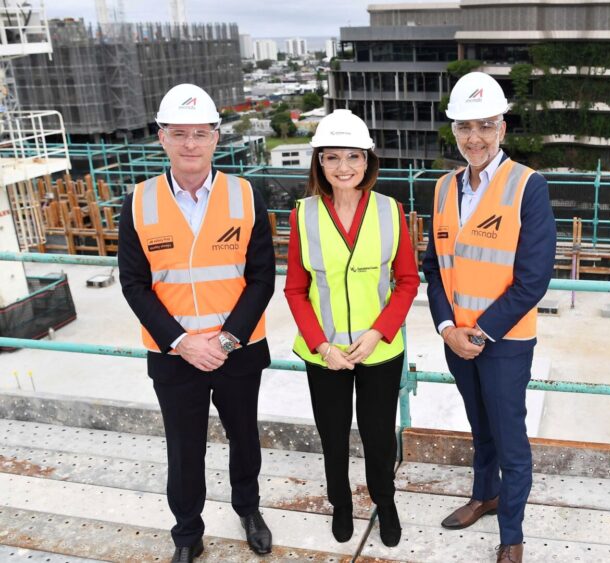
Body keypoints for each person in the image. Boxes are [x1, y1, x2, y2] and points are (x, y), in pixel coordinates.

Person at [119, 83, 275, 562]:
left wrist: (225, 341)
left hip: (238, 349)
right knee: (184, 450)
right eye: (179, 133)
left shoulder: (245, 195)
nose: (191, 144)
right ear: (161, 137)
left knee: (244, 437)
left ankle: (248, 509)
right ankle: (187, 534)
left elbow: (262, 277)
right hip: (175, 356)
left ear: (216, 138)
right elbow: (134, 285)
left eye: (201, 134)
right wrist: (183, 342)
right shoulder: (138, 202)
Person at [422, 72, 557, 563]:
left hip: (504, 341)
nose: (473, 137)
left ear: (502, 127)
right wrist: (447, 329)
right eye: (464, 127)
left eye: (484, 125)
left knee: (510, 438)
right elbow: (434, 267)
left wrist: (478, 332)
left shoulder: (527, 187)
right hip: (457, 338)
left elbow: (532, 279)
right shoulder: (442, 188)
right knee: (479, 426)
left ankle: (512, 536)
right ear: (453, 131)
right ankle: (484, 494)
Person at [283, 109, 418, 548]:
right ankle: (341, 504)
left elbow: (408, 281)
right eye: (333, 157)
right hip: (325, 354)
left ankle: (385, 501)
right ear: (319, 162)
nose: (344, 167)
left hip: (378, 349)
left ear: (368, 161)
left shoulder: (391, 211)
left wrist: (378, 331)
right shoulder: (303, 215)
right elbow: (296, 290)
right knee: (333, 435)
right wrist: (322, 345)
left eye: (353, 157)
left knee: (379, 439)